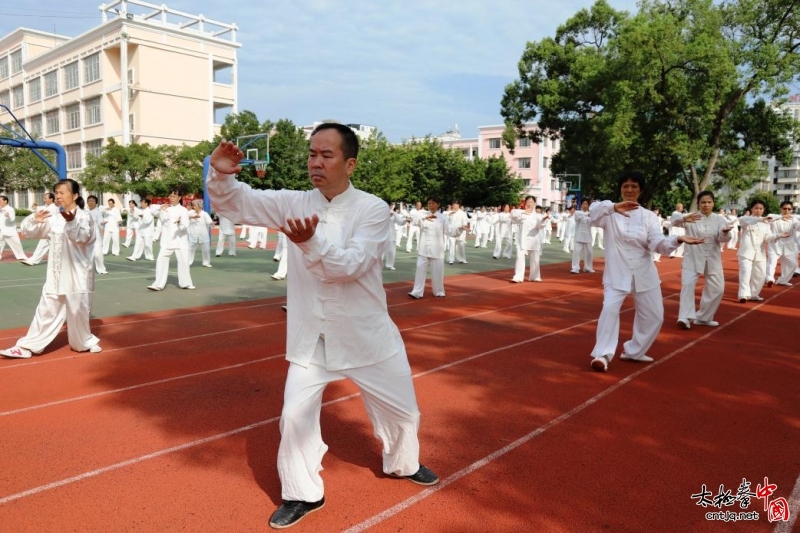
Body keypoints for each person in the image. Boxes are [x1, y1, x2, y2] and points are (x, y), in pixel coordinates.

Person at [207, 124, 440, 529]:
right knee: (294, 416)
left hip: (366, 334)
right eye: (312, 153)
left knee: (403, 413)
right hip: (312, 335)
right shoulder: (293, 203)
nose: (316, 162)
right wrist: (222, 174)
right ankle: (302, 493)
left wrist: (311, 243)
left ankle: (402, 464)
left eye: (326, 155)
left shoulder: (372, 209)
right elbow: (236, 205)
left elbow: (350, 266)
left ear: (349, 163)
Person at [588, 171, 702, 372]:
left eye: (634, 186)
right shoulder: (608, 212)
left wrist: (677, 240)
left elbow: (658, 244)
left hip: (644, 272)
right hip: (617, 273)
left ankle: (634, 351)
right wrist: (614, 207)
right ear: (620, 189)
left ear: (640, 190)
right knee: (610, 309)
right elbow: (592, 213)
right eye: (625, 186)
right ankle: (602, 355)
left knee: (655, 316)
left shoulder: (649, 217)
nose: (629, 189)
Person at [1, 179, 102, 358]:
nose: (59, 196)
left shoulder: (85, 217)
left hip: (77, 274)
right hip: (55, 275)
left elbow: (82, 238)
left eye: (63, 192)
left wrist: (71, 222)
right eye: (57, 192)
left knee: (78, 312)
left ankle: (84, 342)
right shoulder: (54, 217)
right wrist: (34, 219)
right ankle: (27, 347)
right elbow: (29, 232)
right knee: (46, 309)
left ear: (75, 195)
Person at [671, 191, 733, 329]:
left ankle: (703, 317)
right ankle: (685, 317)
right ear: (698, 203)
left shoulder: (719, 219)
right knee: (687, 285)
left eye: (709, 202)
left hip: (712, 257)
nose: (706, 205)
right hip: (692, 257)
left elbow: (723, 239)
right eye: (703, 202)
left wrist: (725, 232)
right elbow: (673, 220)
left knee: (718, 289)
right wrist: (683, 218)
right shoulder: (691, 217)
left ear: (713, 203)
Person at [409, 196, 468, 298]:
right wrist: (424, 217)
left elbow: (449, 230)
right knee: (419, 269)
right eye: (429, 203)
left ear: (438, 205)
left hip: (437, 249)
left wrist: (460, 228)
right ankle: (417, 292)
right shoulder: (422, 215)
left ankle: (439, 291)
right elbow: (414, 220)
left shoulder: (442, 217)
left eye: (433, 203)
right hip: (424, 248)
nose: (431, 205)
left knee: (438, 272)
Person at [736, 200, 786, 302]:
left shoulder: (766, 224)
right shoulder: (746, 220)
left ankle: (754, 294)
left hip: (760, 253)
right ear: (751, 209)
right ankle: (743, 295)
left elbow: (767, 238)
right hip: (746, 252)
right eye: (756, 208)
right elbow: (742, 220)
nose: (758, 210)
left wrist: (778, 236)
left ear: (763, 210)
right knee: (745, 273)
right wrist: (761, 219)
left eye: (760, 208)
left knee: (760, 275)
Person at [147, 190, 195, 291]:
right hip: (167, 241)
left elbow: (185, 226)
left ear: (179, 198)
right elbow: (152, 210)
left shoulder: (183, 210)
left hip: (180, 240)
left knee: (183, 262)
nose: (171, 198)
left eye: (174, 196)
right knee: (161, 260)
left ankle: (186, 283)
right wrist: (161, 207)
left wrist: (179, 222)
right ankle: (158, 284)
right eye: (170, 196)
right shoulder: (165, 209)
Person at [510, 196, 549, 283]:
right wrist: (524, 211)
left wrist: (543, 220)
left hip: (534, 240)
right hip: (522, 239)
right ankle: (518, 276)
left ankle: (535, 276)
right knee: (520, 257)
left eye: (531, 202)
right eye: (528, 201)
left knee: (535, 259)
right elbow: (512, 214)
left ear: (534, 204)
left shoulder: (538, 216)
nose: (529, 203)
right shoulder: (521, 213)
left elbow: (540, 226)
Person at [765, 201, 800, 287]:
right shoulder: (774, 217)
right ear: (780, 209)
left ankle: (782, 280)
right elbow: (768, 218)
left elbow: (798, 226)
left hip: (788, 247)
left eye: (789, 209)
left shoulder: (794, 220)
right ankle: (769, 279)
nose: (787, 210)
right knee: (772, 263)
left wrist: (792, 217)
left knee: (793, 264)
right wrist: (782, 217)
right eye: (784, 208)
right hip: (775, 245)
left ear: (791, 210)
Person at [21, 192, 59, 265]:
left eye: (45, 198)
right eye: (43, 198)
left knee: (52, 247)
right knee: (44, 246)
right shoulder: (47, 207)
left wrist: (37, 209)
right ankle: (33, 260)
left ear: (51, 199)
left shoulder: (54, 207)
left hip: (52, 230)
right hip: (48, 231)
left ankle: (33, 260)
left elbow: (44, 212)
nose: (44, 200)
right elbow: (40, 210)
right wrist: (36, 208)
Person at [0, 195, 30, 261]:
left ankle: (22, 256)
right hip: (1, 231)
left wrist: (8, 216)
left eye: (1, 201)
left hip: (10, 231)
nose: (0, 202)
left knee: (17, 243)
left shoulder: (10, 209)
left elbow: (12, 219)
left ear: (5, 201)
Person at [85, 196, 109, 275]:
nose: (90, 203)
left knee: (98, 254)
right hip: (87, 236)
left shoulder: (98, 212)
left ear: (96, 203)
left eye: (92, 201)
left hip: (96, 236)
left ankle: (101, 269)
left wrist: (101, 223)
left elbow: (100, 222)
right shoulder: (86, 212)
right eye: (89, 201)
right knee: (87, 254)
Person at [187, 199, 214, 268]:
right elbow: (184, 217)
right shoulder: (190, 213)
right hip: (193, 235)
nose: (193, 207)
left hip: (203, 235)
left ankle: (206, 262)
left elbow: (210, 223)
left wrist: (212, 224)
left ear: (199, 206)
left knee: (206, 250)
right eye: (193, 205)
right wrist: (191, 217)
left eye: (195, 205)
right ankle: (188, 262)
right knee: (190, 249)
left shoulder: (204, 214)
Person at [571, 198, 594, 273]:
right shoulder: (577, 212)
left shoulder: (591, 214)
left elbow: (593, 222)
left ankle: (588, 267)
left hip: (587, 235)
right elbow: (578, 217)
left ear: (588, 205)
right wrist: (588, 214)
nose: (585, 205)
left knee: (589, 253)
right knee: (576, 252)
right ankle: (575, 268)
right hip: (579, 235)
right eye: (583, 203)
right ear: (581, 205)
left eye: (586, 204)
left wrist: (590, 214)